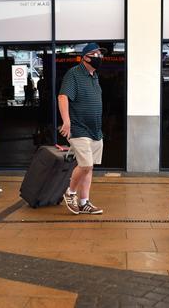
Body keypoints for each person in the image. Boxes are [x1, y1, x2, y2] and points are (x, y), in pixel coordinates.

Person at [59, 43, 106, 215]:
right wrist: (66, 121)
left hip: (95, 130)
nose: (98, 57)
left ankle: (84, 202)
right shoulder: (74, 74)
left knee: (89, 166)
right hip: (79, 128)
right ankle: (70, 193)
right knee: (85, 164)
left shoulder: (94, 76)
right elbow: (63, 97)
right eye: (95, 54)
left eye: (100, 54)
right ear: (85, 57)